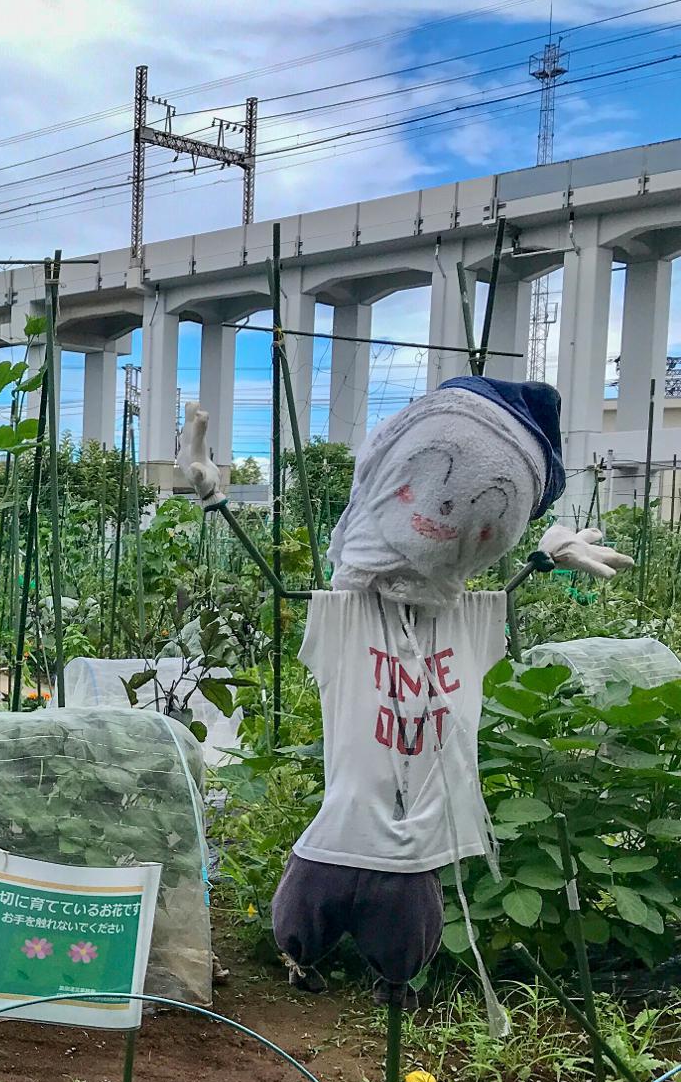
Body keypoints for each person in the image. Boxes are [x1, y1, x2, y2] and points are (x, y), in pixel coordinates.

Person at [177, 378, 630, 1001]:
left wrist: (545, 556)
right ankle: (306, 963)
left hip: (415, 855)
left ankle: (382, 982)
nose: (442, 517)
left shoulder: (467, 620)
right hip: (340, 834)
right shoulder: (345, 618)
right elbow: (280, 589)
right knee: (302, 932)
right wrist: (213, 498)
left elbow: (510, 591)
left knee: (401, 952)